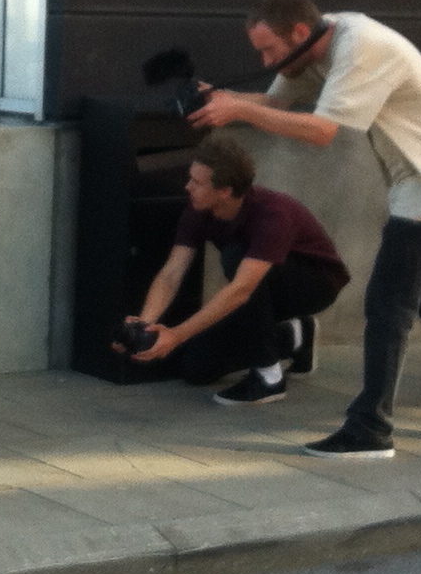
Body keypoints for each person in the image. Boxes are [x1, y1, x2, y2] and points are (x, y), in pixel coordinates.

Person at [193, 0, 421, 458]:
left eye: (270, 51)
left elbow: (323, 130)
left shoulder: (361, 47)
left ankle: (371, 427)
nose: (266, 63)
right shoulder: (315, 43)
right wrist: (226, 100)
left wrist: (241, 112)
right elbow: (277, 101)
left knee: (388, 304)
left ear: (301, 31)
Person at [125, 136, 350, 406]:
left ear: (225, 191)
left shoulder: (273, 215)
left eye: (197, 182)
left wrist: (176, 335)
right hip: (258, 288)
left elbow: (241, 290)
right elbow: (172, 273)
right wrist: (144, 325)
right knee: (197, 368)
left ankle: (269, 379)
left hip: (314, 284)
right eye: (190, 178)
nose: (187, 187)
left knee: (235, 257)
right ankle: (294, 336)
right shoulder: (198, 210)